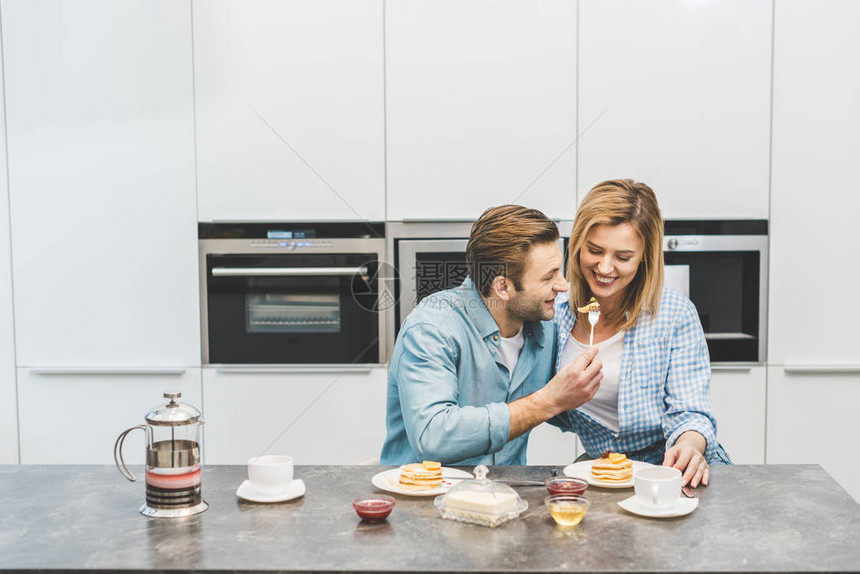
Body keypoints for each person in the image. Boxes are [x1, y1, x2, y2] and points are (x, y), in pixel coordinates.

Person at [380, 205, 604, 466]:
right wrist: (547, 401)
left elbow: (564, 406)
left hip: (505, 499)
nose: (562, 285)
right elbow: (433, 437)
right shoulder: (431, 329)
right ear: (502, 287)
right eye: (548, 277)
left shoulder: (545, 326)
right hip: (426, 498)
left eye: (559, 270)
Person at [554, 179, 731, 488]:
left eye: (623, 257)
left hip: (673, 471)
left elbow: (691, 412)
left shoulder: (674, 313)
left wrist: (690, 445)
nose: (605, 267)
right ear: (577, 243)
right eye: (595, 250)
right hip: (605, 471)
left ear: (644, 258)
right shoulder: (554, 314)